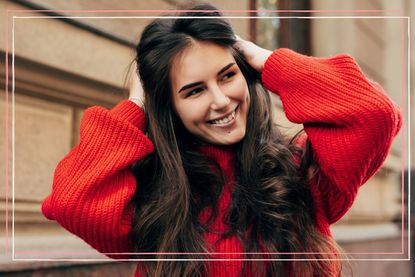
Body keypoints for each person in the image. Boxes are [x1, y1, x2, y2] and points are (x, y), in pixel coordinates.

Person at [41, 3, 402, 277]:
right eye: (195, 90)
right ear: (170, 107)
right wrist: (137, 104)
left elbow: (373, 113)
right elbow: (74, 201)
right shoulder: (152, 194)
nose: (220, 101)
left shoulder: (299, 172)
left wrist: (265, 58)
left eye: (227, 75)